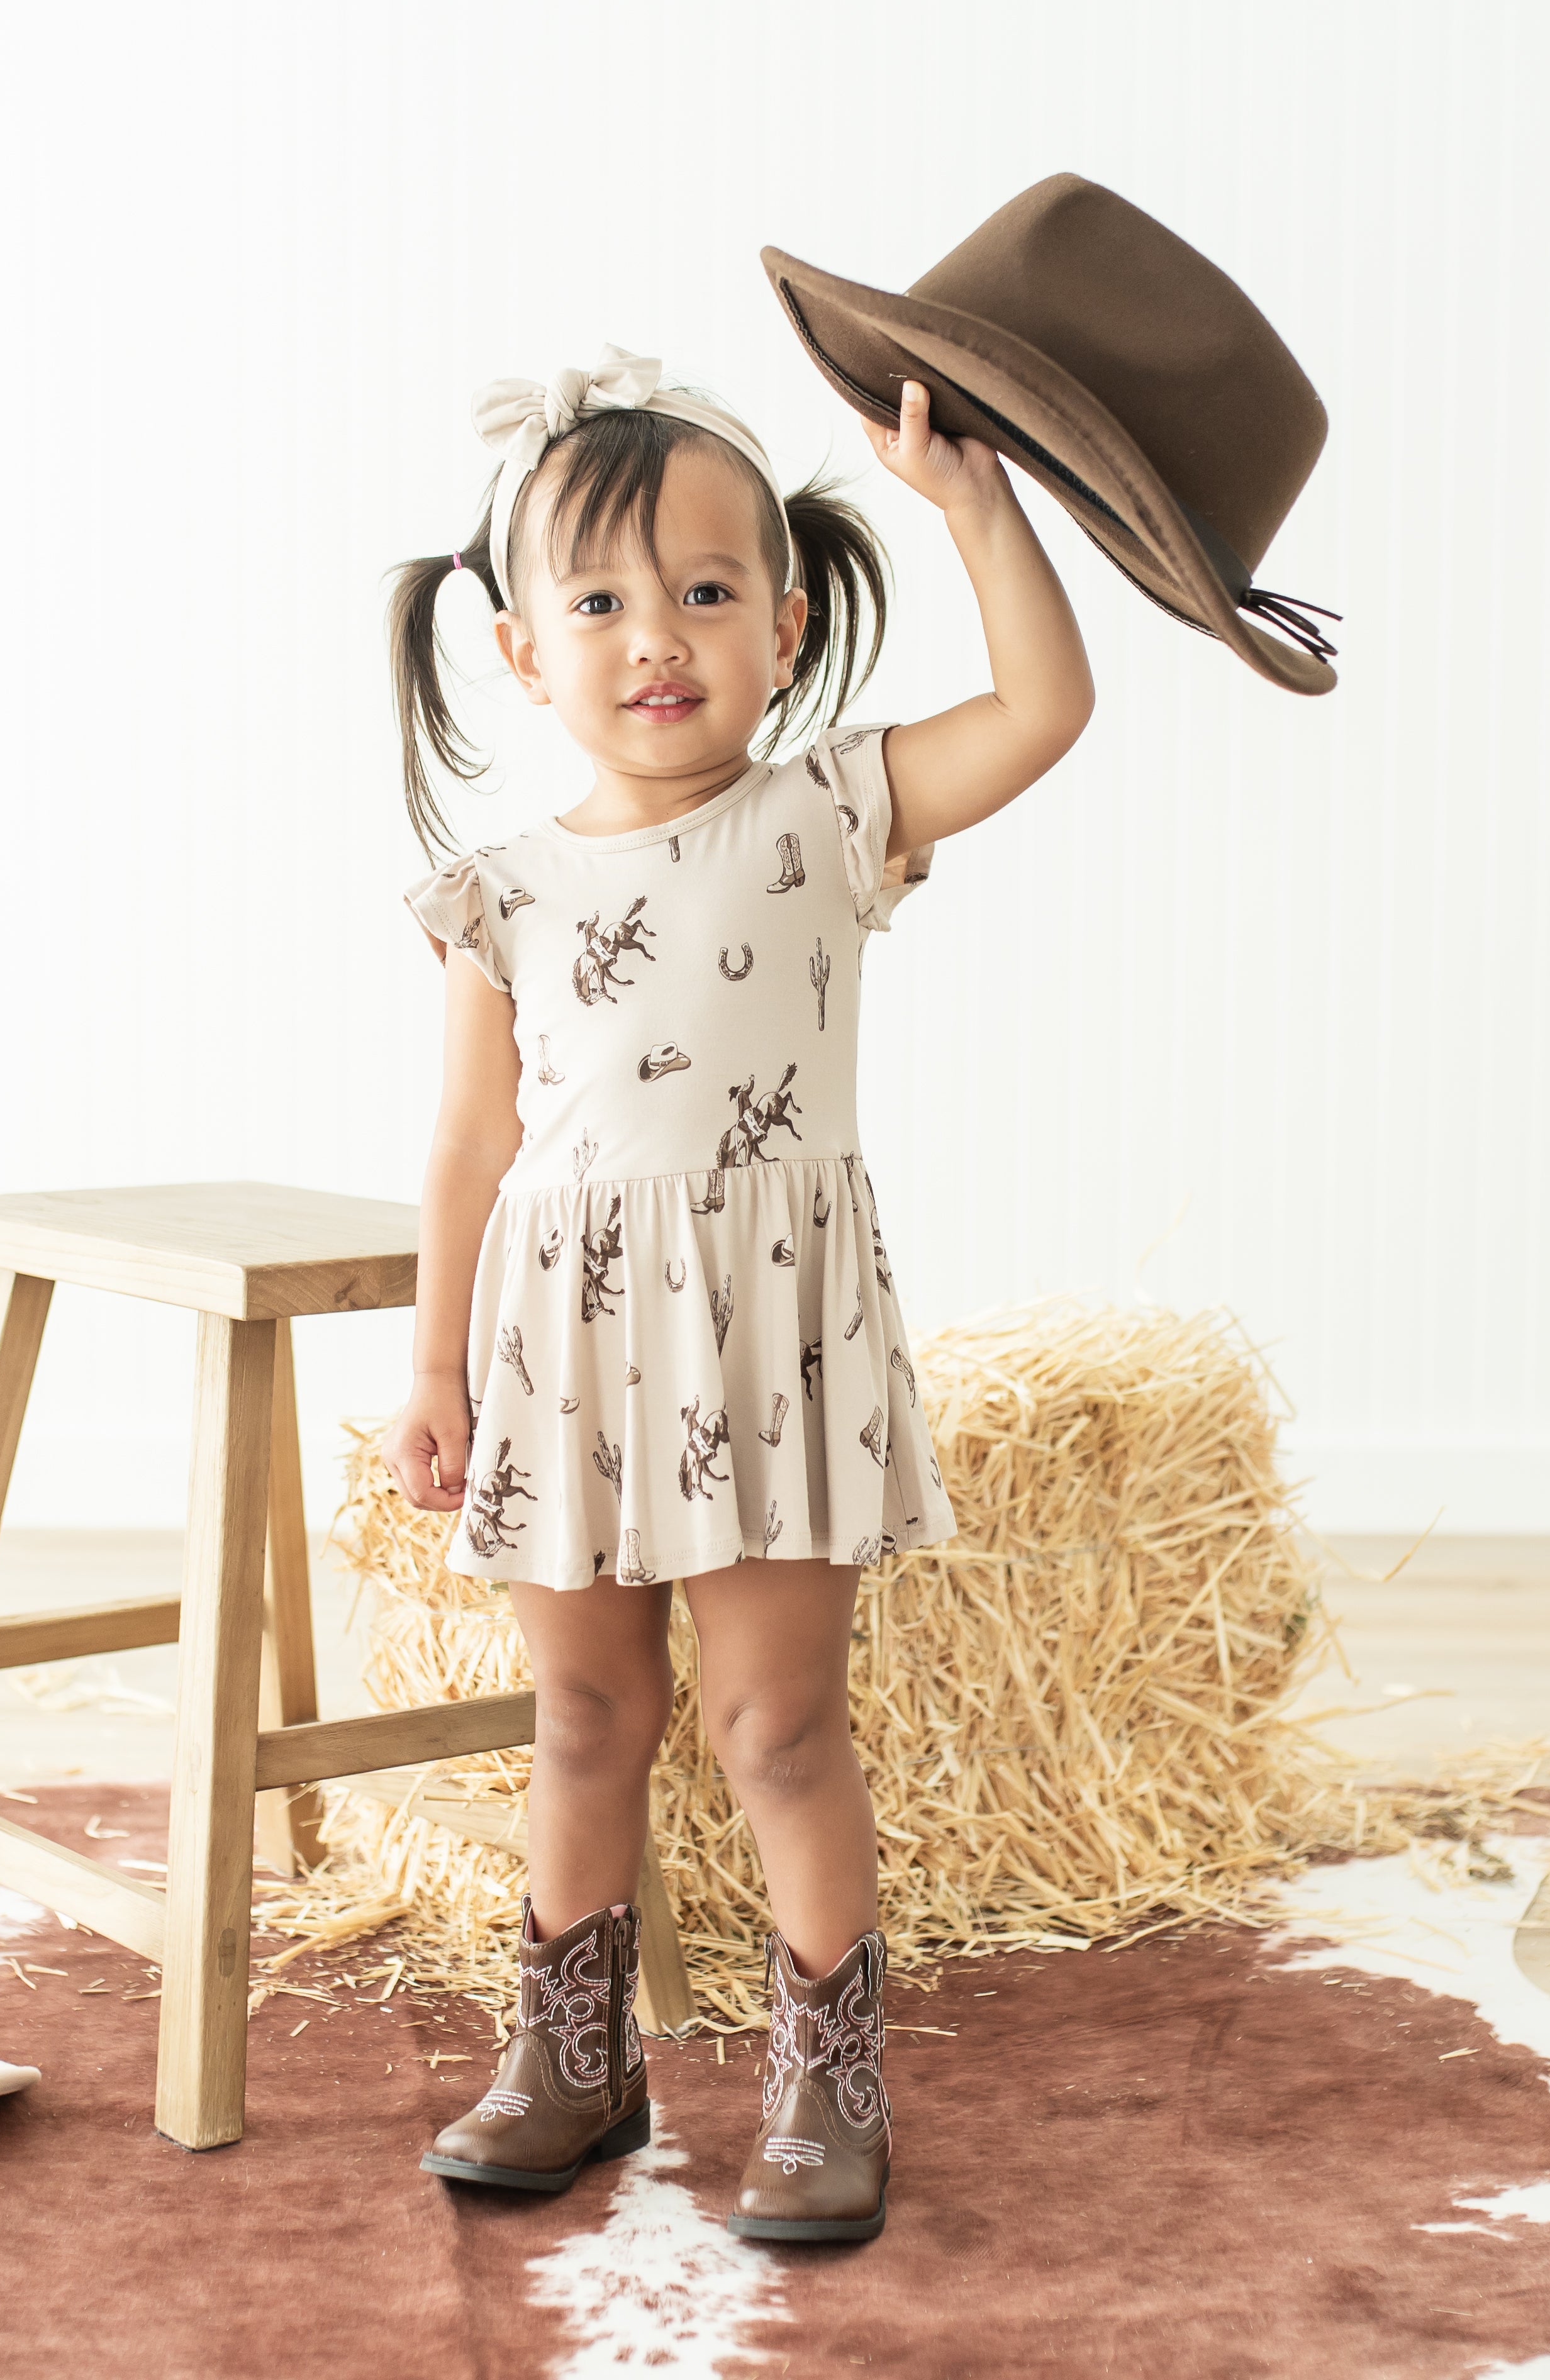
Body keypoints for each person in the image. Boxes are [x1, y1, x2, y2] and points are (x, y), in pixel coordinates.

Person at [382, 345, 1093, 2242]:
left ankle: (823, 2075)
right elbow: (470, 1143)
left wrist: (977, 510)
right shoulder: (502, 889)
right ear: (525, 652)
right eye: (600, 601)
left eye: (707, 592)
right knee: (581, 1718)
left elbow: (1042, 704)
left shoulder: (832, 815)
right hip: (569, 1334)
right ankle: (571, 2056)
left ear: (784, 627)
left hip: (765, 1332)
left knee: (776, 1728)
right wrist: (439, 1365)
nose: (657, 637)